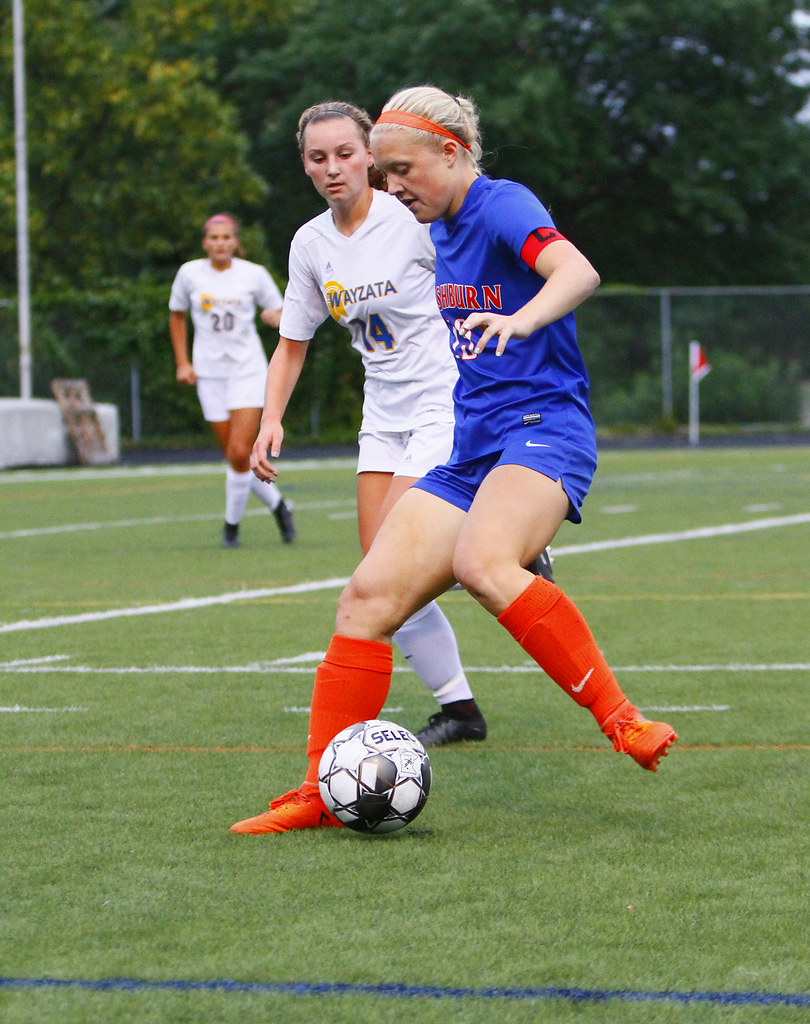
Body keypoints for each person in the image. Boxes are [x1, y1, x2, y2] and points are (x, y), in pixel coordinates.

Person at [231, 86, 677, 834]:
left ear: (454, 151)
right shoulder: (415, 224)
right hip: (471, 443)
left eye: (400, 169)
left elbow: (577, 272)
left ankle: (622, 719)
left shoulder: (501, 203)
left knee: (481, 562)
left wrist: (521, 317)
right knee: (365, 601)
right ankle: (317, 790)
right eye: (383, 170)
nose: (391, 185)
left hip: (542, 427)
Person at [251, 99, 503, 748]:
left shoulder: (410, 218)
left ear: (370, 155)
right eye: (317, 158)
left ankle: (514, 533)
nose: (333, 168)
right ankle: (461, 710)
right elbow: (293, 341)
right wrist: (270, 418)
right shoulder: (310, 243)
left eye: (344, 153)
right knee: (379, 572)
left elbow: (479, 277)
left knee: (392, 565)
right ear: (303, 166)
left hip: (441, 402)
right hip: (382, 414)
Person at [169, 213, 296, 548]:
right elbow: (177, 315)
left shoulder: (253, 274)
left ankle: (231, 528)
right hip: (209, 373)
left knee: (240, 449)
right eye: (214, 238)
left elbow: (284, 311)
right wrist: (183, 362)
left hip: (247, 370)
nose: (220, 243)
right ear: (205, 242)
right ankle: (280, 506)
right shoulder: (189, 274)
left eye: (226, 237)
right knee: (236, 457)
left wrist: (276, 317)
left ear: (236, 242)